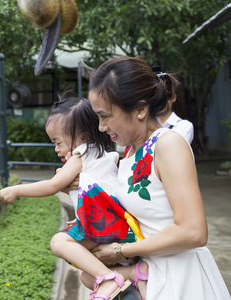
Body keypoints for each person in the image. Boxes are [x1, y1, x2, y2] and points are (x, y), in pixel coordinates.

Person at [83, 56, 230, 300]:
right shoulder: (129, 152)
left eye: (106, 116)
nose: (100, 126)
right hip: (148, 277)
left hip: (179, 279)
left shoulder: (168, 144)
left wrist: (120, 251)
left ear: (140, 109)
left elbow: (193, 232)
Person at [0, 95, 139, 300]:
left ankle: (108, 278)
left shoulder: (81, 153)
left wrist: (16, 190)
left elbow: (53, 185)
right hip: (117, 224)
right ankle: (136, 274)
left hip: (107, 225)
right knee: (87, 279)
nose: (56, 150)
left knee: (59, 242)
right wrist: (84, 217)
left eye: (58, 142)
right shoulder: (104, 154)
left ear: (82, 136)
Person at [152, 66, 194, 144]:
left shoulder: (183, 126)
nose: (162, 101)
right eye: (157, 97)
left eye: (167, 96)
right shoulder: (143, 125)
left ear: (174, 98)